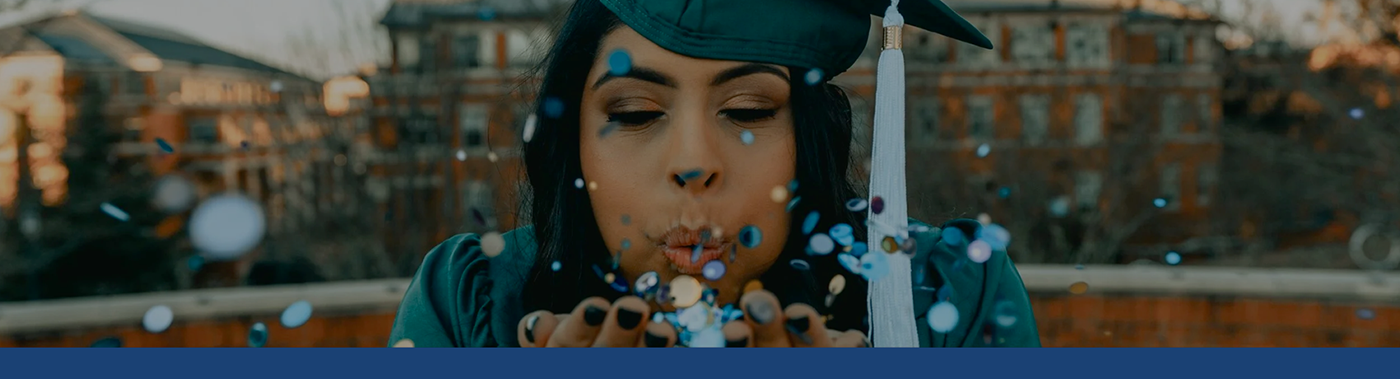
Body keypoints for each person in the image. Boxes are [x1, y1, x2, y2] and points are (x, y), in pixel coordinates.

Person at [389, 0, 1040, 348]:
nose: (694, 163)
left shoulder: (941, 298)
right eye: (637, 112)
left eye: (749, 110)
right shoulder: (473, 310)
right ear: (574, 141)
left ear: (808, 139)